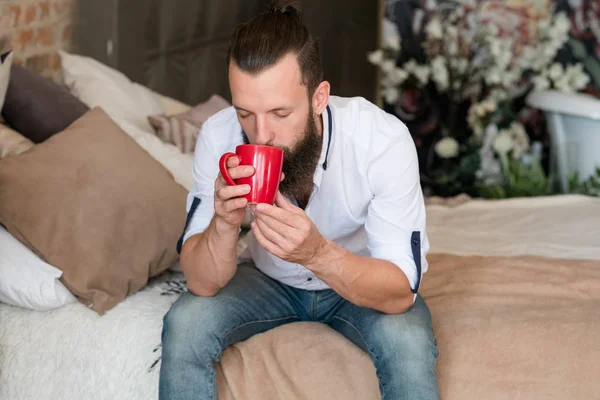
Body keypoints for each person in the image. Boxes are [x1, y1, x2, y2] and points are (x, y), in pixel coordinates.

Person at [159, 1, 439, 399]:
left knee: (409, 344)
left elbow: (399, 291)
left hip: (356, 280)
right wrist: (223, 224)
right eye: (245, 113)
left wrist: (317, 254)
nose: (261, 135)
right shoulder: (217, 137)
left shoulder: (382, 142)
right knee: (185, 322)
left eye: (279, 113)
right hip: (267, 280)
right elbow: (202, 283)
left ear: (319, 98)